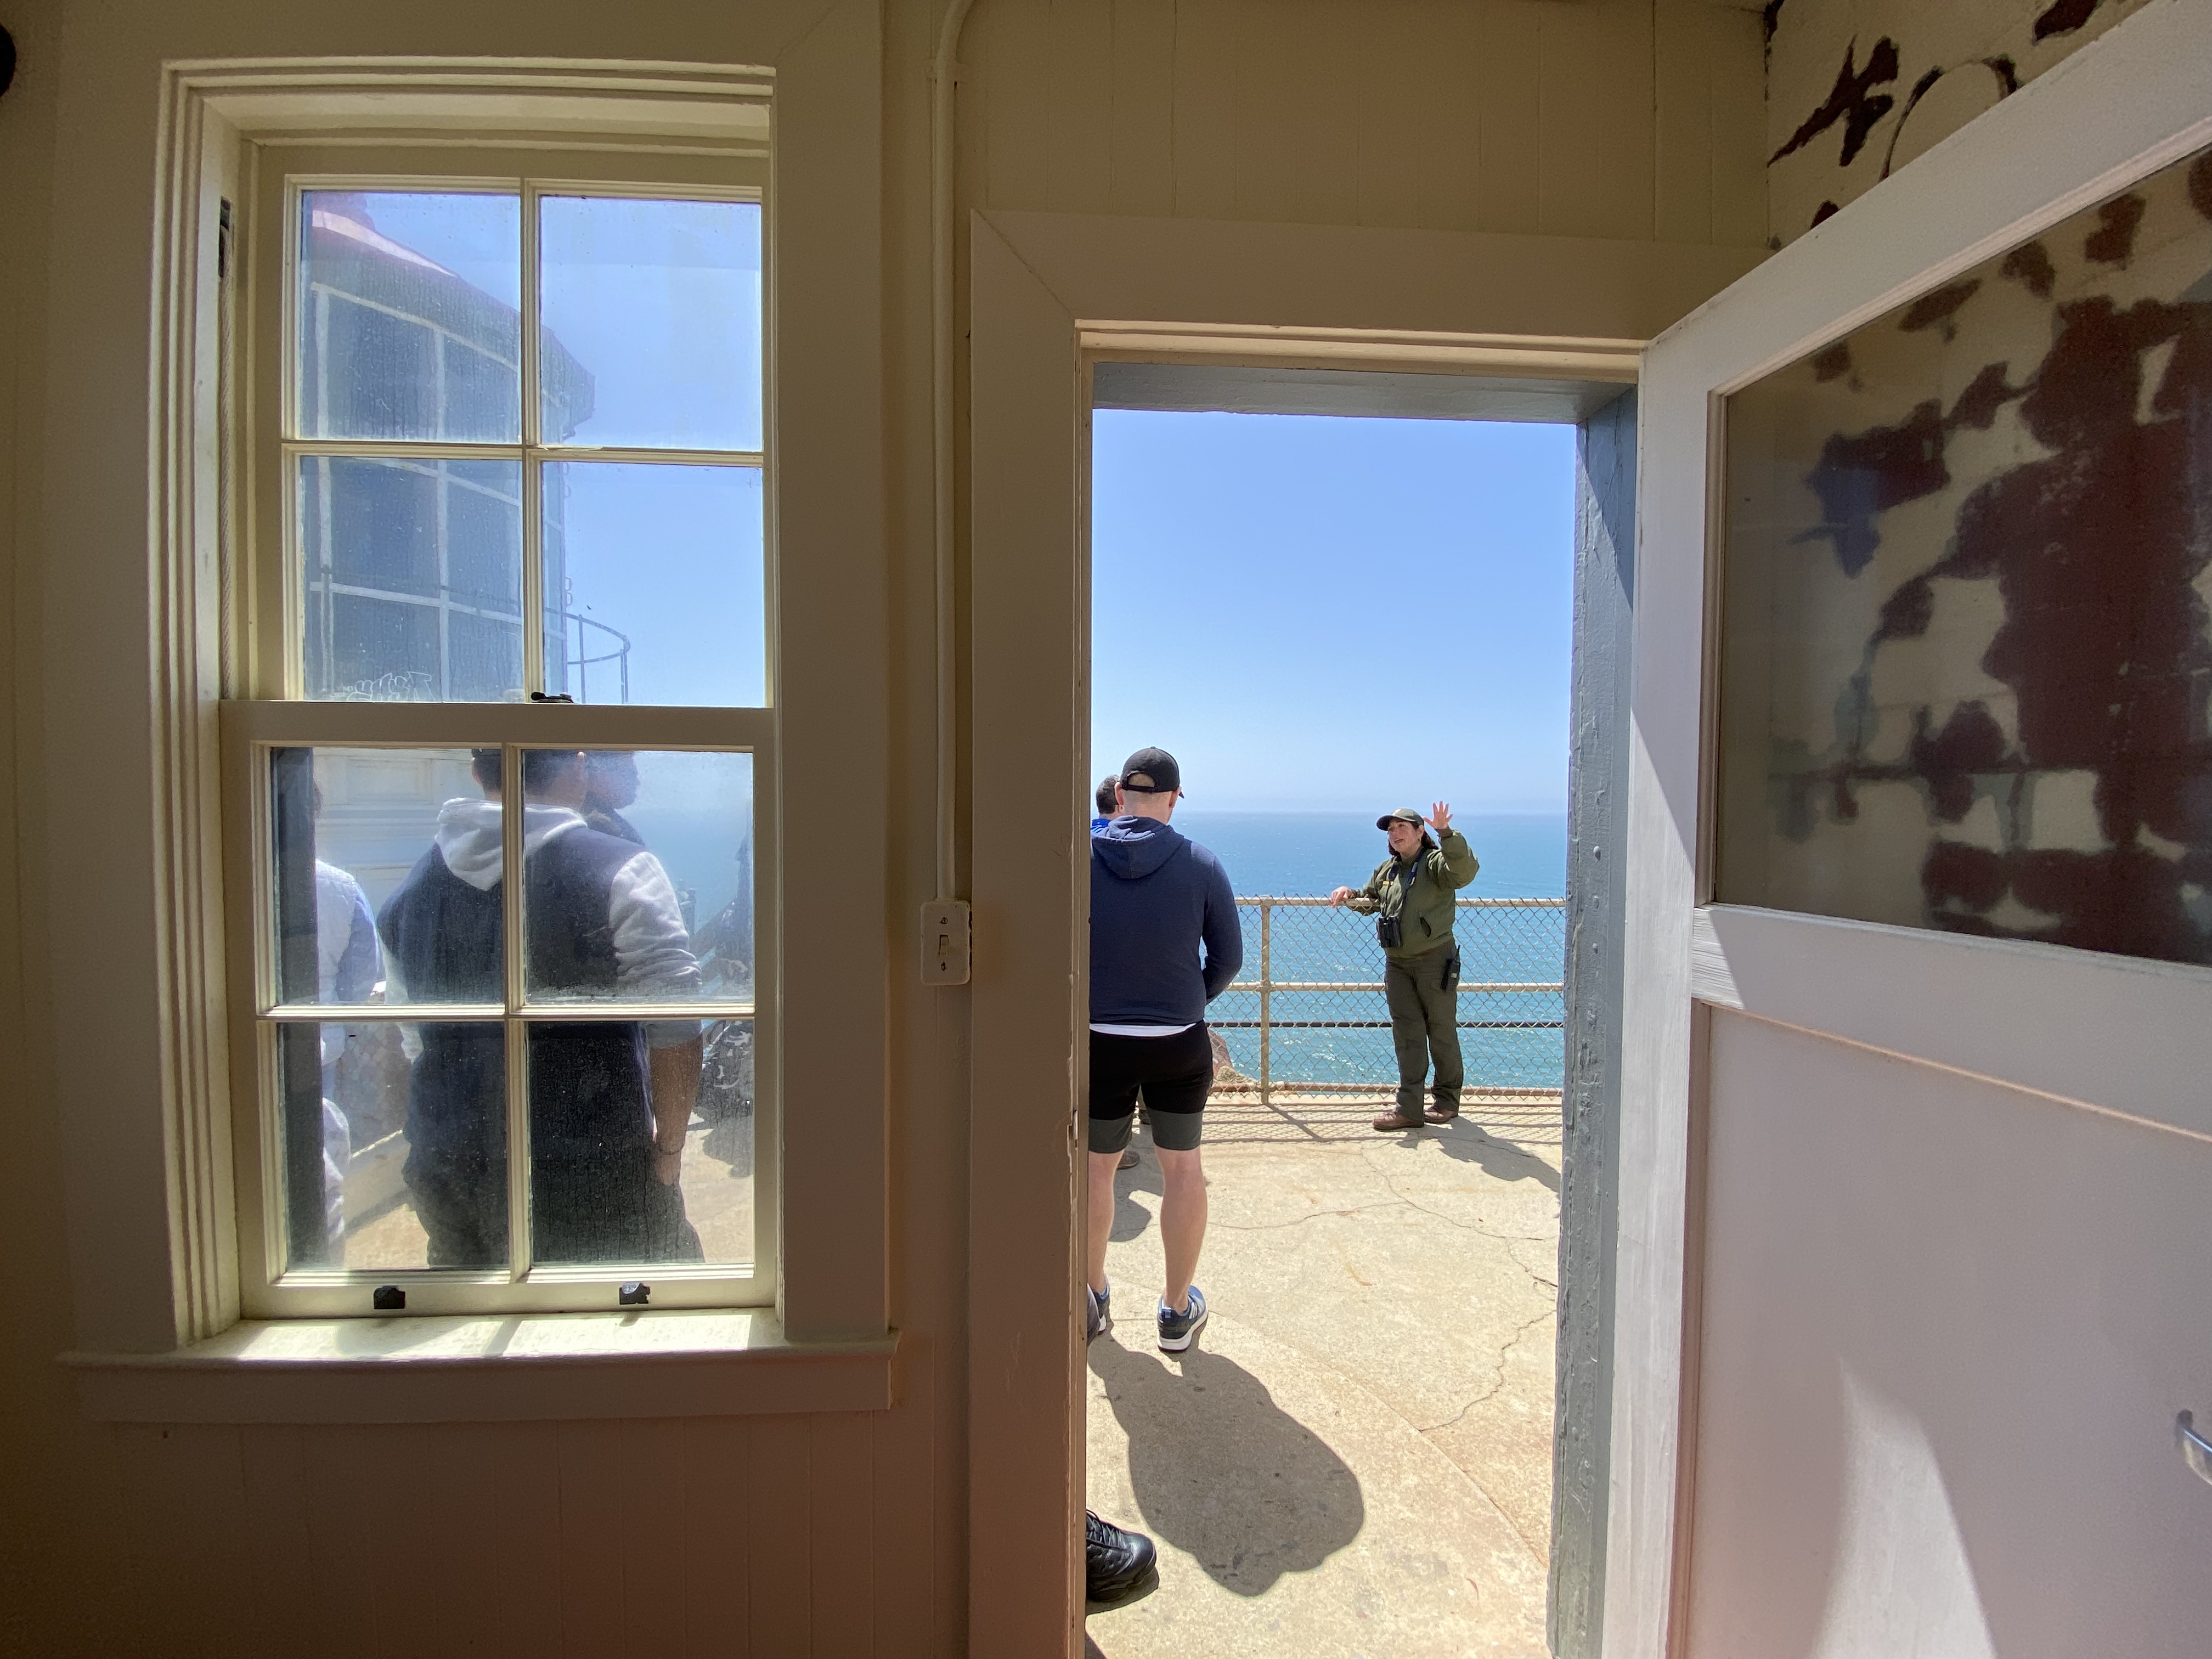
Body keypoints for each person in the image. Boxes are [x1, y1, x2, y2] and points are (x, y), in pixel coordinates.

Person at [377, 748, 706, 1266]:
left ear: (475, 771)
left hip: (450, 1164)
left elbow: (415, 1041)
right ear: (578, 766)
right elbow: (675, 1026)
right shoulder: (622, 868)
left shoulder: (407, 894)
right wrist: (669, 1150)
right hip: (596, 1162)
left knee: (476, 1321)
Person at [1088, 746, 1242, 1351]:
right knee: (1183, 1170)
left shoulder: (1081, 858)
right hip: (1178, 1043)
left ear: (1121, 795)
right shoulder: (1201, 864)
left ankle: (1093, 1294)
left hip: (1100, 1041)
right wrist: (1187, 1002)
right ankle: (1177, 1312)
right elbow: (1228, 959)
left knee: (1097, 1169)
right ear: (1175, 800)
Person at [1330, 803, 1480, 1132]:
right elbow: (1369, 900)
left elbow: (1466, 872)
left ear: (1419, 832)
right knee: (1408, 1035)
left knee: (1441, 1030)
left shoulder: (1436, 863)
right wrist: (1349, 894)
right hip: (1398, 964)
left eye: (1402, 827)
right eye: (1391, 829)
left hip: (1434, 960)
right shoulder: (1388, 871)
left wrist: (1447, 834)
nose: (1395, 833)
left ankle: (1446, 1101)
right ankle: (1409, 1109)